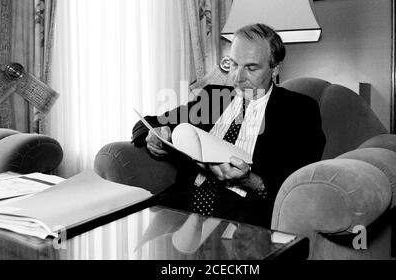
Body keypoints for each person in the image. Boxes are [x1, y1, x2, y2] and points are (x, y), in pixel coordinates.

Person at [132, 23, 326, 228]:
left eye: (251, 68)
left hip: (244, 214)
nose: (237, 77)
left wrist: (250, 180)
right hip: (183, 201)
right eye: (233, 64)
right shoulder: (213, 97)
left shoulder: (300, 110)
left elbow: (299, 183)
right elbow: (146, 123)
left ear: (275, 68)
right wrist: (153, 134)